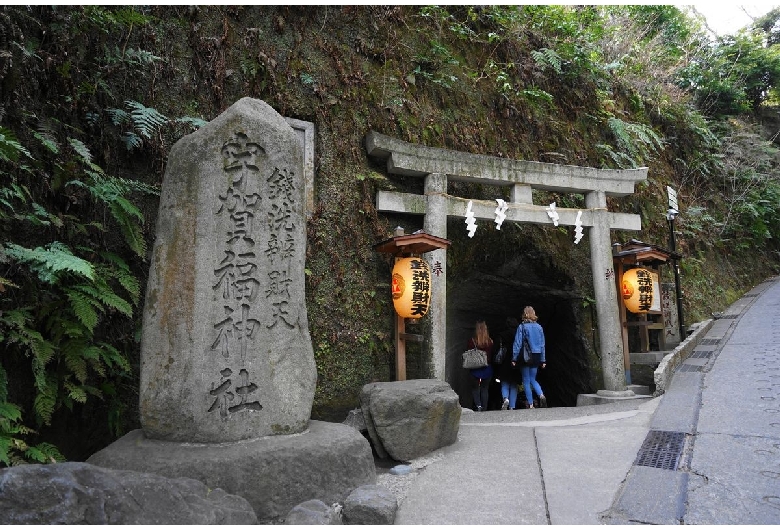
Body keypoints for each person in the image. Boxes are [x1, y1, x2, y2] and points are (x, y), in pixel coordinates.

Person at [511, 306, 547, 409]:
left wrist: (514, 358)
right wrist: (543, 360)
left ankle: (531, 404)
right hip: (537, 355)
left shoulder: (522, 327)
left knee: (526, 381)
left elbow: (517, 343)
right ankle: (541, 395)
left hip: (526, 356)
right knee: (533, 379)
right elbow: (542, 344)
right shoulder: (539, 327)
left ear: (524, 314)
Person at [467, 320, 494, 411]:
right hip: (487, 367)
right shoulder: (490, 341)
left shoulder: (472, 341)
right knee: (485, 388)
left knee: (475, 388)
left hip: (475, 367)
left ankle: (478, 405)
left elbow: (468, 352)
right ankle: (485, 408)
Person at [496, 316, 521, 410]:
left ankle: (505, 398)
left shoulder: (501, 335)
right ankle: (512, 406)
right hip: (516, 361)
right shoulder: (519, 334)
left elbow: (496, 349)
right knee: (514, 384)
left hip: (504, 361)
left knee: (504, 383)